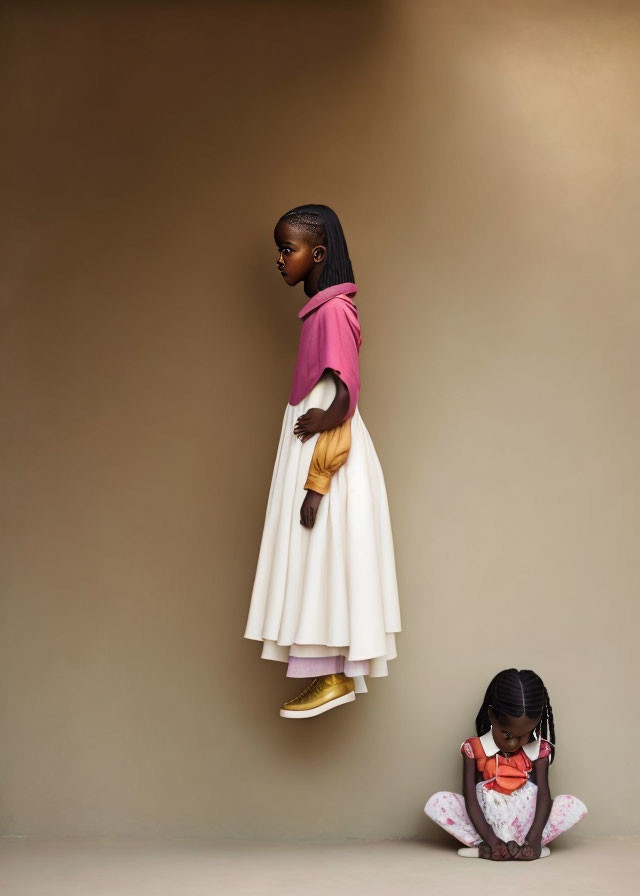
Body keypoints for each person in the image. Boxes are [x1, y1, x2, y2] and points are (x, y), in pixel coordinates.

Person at [244, 204, 401, 719]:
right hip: (320, 455)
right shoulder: (325, 310)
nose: (280, 259)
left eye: (287, 249)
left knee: (322, 561)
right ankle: (327, 674)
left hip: (330, 463)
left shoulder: (332, 312)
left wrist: (316, 483)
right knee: (321, 563)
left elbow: (345, 398)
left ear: (319, 254)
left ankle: (331, 675)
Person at [425, 668, 587, 859]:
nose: (515, 743)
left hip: (527, 828)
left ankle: (528, 846)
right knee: (438, 803)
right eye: (507, 734)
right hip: (486, 827)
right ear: (492, 715)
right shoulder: (473, 748)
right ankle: (489, 846)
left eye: (525, 735)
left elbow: (543, 794)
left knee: (571, 805)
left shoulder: (540, 749)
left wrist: (534, 837)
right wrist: (492, 839)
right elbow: (470, 799)